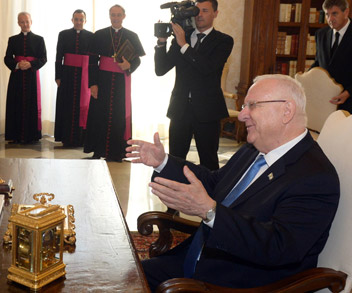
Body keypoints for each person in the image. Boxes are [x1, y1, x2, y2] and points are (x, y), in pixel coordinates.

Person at [126, 74, 339, 290]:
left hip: (236, 282)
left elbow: (278, 247)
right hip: (198, 259)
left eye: (252, 106)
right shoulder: (253, 149)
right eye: (244, 106)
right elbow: (214, 182)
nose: (242, 115)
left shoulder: (315, 177)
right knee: (120, 278)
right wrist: (163, 162)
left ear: (286, 111)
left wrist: (210, 212)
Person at [155, 0, 234, 170]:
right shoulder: (182, 36)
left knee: (209, 159)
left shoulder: (223, 41)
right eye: (197, 11)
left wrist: (183, 45)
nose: (199, 15)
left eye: (205, 11)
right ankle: (176, 192)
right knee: (175, 158)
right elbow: (160, 69)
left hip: (208, 110)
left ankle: (209, 195)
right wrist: (161, 42)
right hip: (180, 108)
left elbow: (207, 68)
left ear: (215, 13)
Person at [84, 4, 145, 162]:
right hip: (102, 80)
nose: (115, 18)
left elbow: (137, 59)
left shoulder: (132, 35)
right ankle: (98, 150)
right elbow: (92, 61)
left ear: (124, 16)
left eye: (118, 15)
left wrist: (130, 66)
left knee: (119, 115)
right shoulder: (99, 35)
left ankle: (118, 152)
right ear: (109, 16)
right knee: (99, 115)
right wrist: (93, 84)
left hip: (120, 82)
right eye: (113, 15)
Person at [4, 12, 47, 144]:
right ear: (18, 23)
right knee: (15, 103)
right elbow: (7, 58)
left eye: (27, 21)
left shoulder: (39, 39)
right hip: (16, 76)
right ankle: (15, 134)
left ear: (31, 22)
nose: (25, 24)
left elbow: (43, 58)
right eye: (22, 22)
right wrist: (17, 64)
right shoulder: (12, 40)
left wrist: (30, 64)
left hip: (31, 76)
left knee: (31, 104)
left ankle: (31, 135)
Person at [54, 9, 94, 148]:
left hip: (85, 76)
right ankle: (66, 137)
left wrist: (93, 79)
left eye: (81, 19)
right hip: (67, 75)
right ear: (72, 20)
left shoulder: (91, 36)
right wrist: (58, 76)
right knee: (67, 106)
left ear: (85, 21)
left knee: (83, 107)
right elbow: (59, 57)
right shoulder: (63, 34)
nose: (78, 22)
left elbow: (94, 59)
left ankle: (81, 139)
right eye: (76, 19)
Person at [310, 0, 352, 113]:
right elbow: (319, 63)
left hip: (349, 103)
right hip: (325, 101)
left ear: (346, 12)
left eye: (334, 13)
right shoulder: (321, 34)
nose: (330, 19)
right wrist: (306, 78)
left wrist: (348, 93)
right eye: (327, 14)